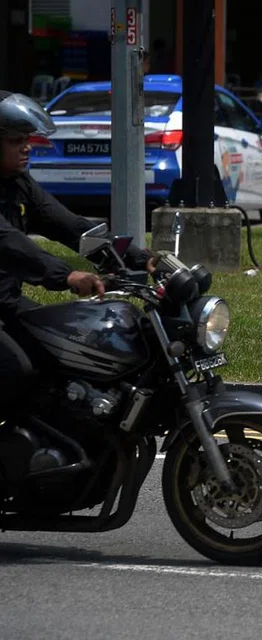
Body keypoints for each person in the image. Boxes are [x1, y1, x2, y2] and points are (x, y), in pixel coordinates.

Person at [0, 91, 155, 416]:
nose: (26, 146)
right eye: (16, 140)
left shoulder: (17, 183)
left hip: (7, 303)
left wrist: (140, 259)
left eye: (27, 138)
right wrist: (67, 275)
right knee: (17, 370)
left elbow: (72, 227)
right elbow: (10, 243)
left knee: (65, 353)